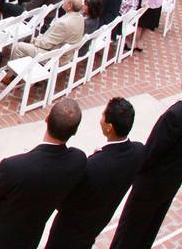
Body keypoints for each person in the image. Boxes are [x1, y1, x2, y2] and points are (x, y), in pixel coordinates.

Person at [110, 51, 182, 249]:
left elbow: (150, 154)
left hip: (150, 185)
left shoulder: (177, 115)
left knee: (128, 235)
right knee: (147, 232)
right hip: (171, 182)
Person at [0, 98, 87, 249]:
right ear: (75, 131)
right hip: (27, 241)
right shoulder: (77, 161)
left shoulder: (13, 167)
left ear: (47, 119)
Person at [46, 98, 146, 249]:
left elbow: (65, 202)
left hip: (69, 232)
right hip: (95, 226)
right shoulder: (138, 151)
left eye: (103, 115)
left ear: (109, 127)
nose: (101, 118)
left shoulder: (92, 167)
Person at [10, 0, 85, 61]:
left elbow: (47, 45)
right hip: (66, 54)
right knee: (31, 40)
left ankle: (12, 71)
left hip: (54, 57)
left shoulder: (64, 24)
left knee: (18, 47)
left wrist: (34, 41)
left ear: (70, 6)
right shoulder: (80, 18)